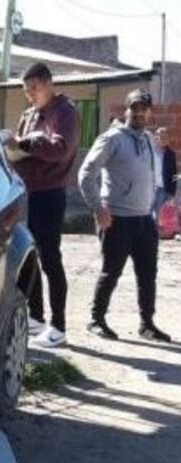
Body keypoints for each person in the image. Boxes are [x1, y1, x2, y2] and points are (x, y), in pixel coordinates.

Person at [78, 88, 171, 343]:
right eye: (134, 108)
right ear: (126, 109)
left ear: (149, 112)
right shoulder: (112, 138)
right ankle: (96, 319)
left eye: (144, 108)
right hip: (117, 219)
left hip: (144, 219)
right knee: (111, 272)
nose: (139, 112)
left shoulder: (149, 139)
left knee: (148, 274)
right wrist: (99, 208)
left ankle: (147, 324)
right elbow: (86, 174)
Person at [6, 62, 80, 348]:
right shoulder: (29, 114)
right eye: (26, 91)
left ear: (49, 84)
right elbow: (20, 149)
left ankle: (59, 326)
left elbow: (60, 148)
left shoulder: (66, 112)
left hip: (50, 194)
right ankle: (35, 316)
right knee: (29, 257)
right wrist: (12, 148)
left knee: (50, 258)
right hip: (26, 193)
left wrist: (27, 145)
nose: (31, 95)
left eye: (34, 89)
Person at [151, 127, 177, 217]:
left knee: (158, 215)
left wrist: (172, 193)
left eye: (165, 137)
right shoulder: (149, 151)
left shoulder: (170, 154)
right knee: (146, 214)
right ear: (155, 137)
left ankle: (155, 231)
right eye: (161, 137)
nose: (163, 140)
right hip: (149, 188)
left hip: (162, 188)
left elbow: (174, 174)